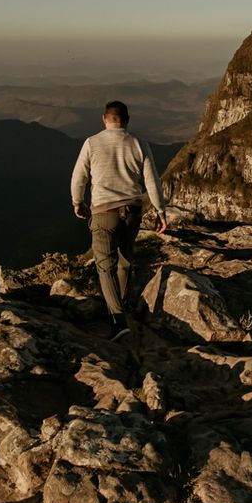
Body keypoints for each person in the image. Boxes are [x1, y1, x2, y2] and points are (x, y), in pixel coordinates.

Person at [70, 100, 168, 339]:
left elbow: (78, 176)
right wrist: (160, 211)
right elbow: (152, 181)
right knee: (124, 261)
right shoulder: (138, 143)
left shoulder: (92, 143)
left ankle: (117, 319)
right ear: (127, 120)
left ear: (105, 119)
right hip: (132, 212)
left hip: (103, 212)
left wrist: (77, 202)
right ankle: (121, 305)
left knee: (105, 266)